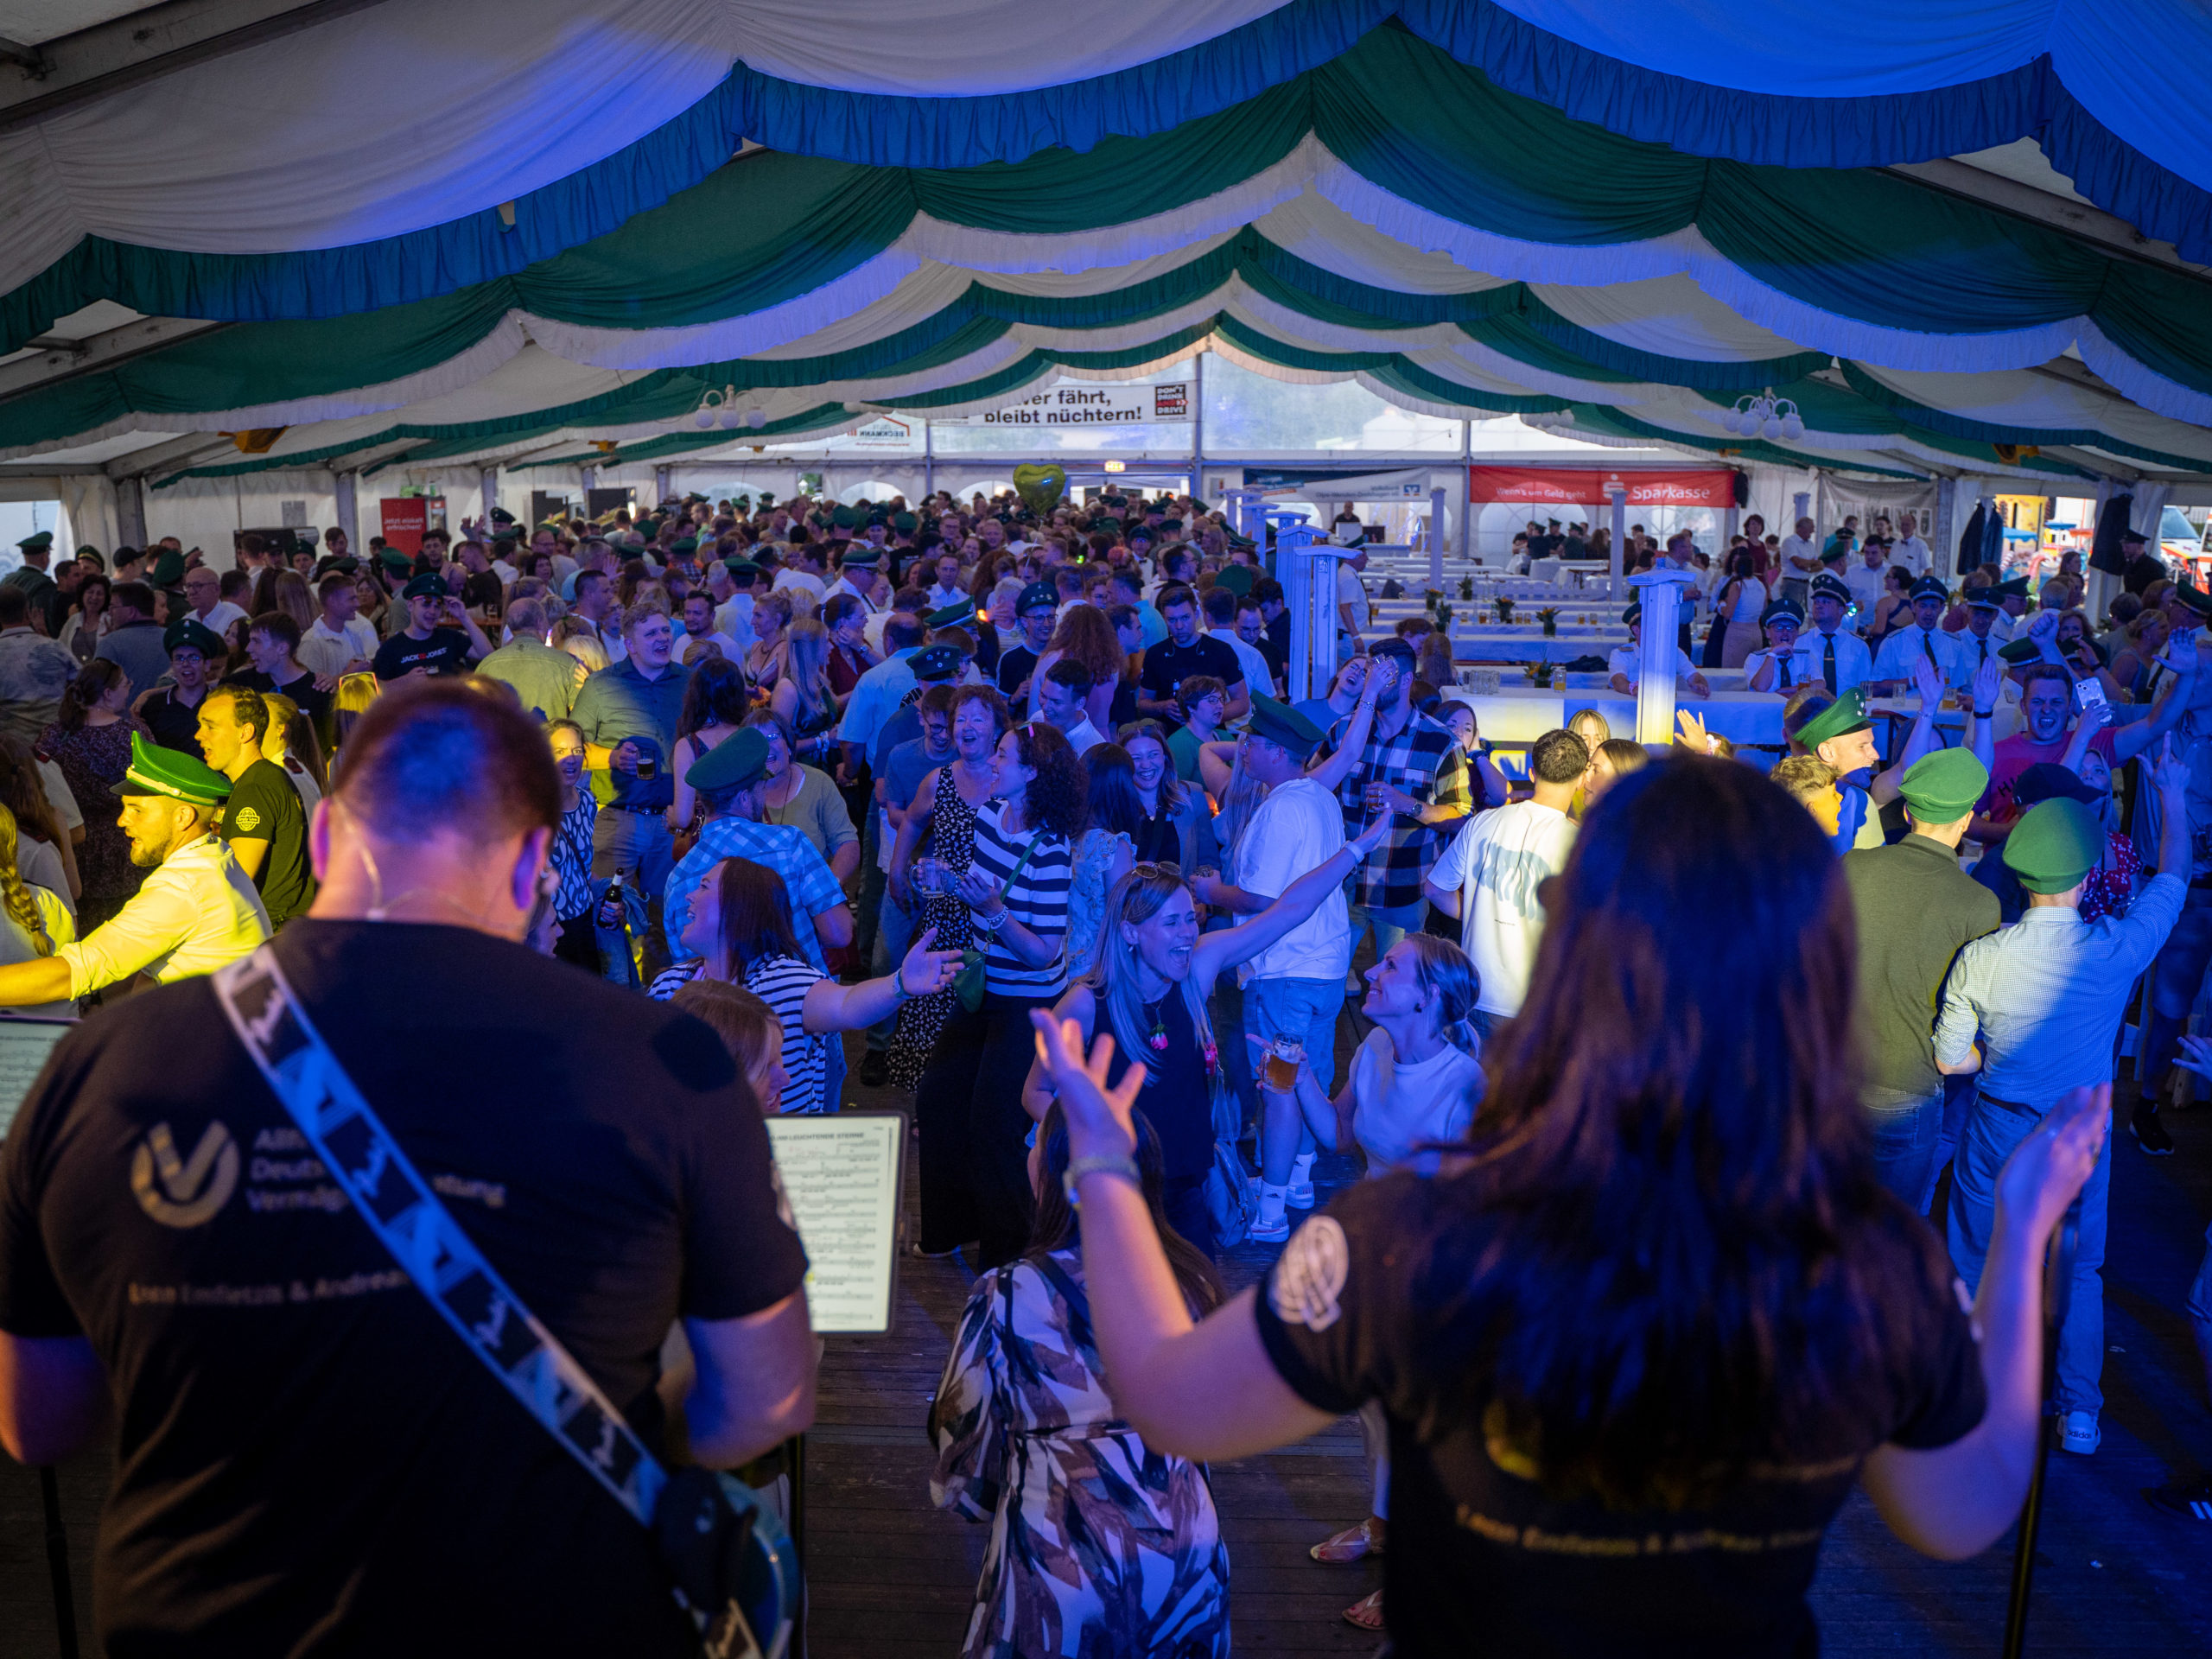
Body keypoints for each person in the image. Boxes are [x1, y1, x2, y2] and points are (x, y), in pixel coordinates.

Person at [1026, 753, 2110, 1657]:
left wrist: (1105, 1167)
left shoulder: (1407, 1233)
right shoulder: (1868, 1257)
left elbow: (1171, 1401)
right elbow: (1962, 1511)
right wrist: (2019, 1238)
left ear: (1573, 955)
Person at [0, 681, 814, 1655]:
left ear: (325, 839)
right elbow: (766, 1396)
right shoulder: (670, 1061)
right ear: (532, 865)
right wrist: (633, 1410)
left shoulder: (103, 1063)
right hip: (548, 1615)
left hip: (206, 1622)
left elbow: (37, 1421)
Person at [1938, 751, 2191, 1457]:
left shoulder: (1982, 958)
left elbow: (1950, 1060)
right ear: (2084, 878)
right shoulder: (2116, 949)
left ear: (2023, 877)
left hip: (1998, 1125)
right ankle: (2079, 1413)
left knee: (1974, 1258)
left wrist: (1994, 1059)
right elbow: (2173, 879)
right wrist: (2172, 796)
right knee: (2078, 1270)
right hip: (2079, 1134)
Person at [931, 1100, 1231, 1659]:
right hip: (1188, 1549)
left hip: (1063, 1558)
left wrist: (985, 1496)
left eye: (1036, 1142)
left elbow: (963, 1451)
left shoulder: (1007, 1295)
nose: (1027, 1149)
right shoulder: (1193, 1283)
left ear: (1054, 1176)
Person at [1277, 934, 1484, 1630]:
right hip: (1375, 1263)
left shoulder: (1464, 1084)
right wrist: (1295, 1079)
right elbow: (1339, 1135)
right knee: (1375, 1413)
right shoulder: (1373, 1049)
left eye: (1391, 967)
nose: (1371, 969)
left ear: (1428, 998)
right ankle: (1383, 1526)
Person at [914, 721, 1082, 1268]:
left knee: (996, 1124)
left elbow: (1044, 954)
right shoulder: (990, 815)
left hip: (1027, 1003)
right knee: (937, 1097)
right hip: (983, 985)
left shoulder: (1052, 851)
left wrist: (994, 912)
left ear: (1031, 774)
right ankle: (952, 1229)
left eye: (1003, 756)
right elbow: (980, 888)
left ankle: (1011, 1258)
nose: (991, 762)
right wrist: (947, 881)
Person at [1185, 699, 1348, 1243]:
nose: (1244, 750)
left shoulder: (1281, 809)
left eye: (1251, 743)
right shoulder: (1320, 797)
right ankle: (1297, 1181)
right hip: (1324, 966)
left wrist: (1212, 892)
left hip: (1285, 969)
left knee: (1278, 1086)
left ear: (1277, 752)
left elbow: (1261, 899)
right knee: (1307, 1077)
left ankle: (1271, 1211)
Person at [654, 856, 961, 1114]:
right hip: (697, 1152)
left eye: (704, 887)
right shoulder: (670, 985)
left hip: (780, 1151)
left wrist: (900, 983)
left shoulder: (784, 981)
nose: (690, 896)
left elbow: (847, 1005)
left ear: (740, 907)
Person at [1841, 749, 2002, 1210]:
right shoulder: (1979, 904)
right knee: (1896, 1233)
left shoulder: (1852, 866)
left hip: (1835, 1074)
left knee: (1827, 1225)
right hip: (1908, 1085)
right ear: (1966, 820)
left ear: (1909, 812)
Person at [0, 733, 268, 1006]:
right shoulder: (216, 856)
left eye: (137, 810)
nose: (121, 821)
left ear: (183, 817)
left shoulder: (183, 887)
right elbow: (149, 974)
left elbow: (77, 971)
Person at [887, 684, 1010, 1101]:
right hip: (947, 917)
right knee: (935, 1008)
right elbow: (912, 821)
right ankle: (932, 1105)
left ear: (997, 728)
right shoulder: (938, 780)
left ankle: (977, 1098)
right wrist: (897, 870)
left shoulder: (1009, 779)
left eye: (978, 718)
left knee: (986, 1013)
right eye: (961, 719)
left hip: (995, 917)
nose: (966, 727)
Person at [1425, 728, 1586, 1039]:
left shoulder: (1484, 822)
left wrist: (1476, 912)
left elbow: (1434, 889)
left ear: (1532, 773)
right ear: (1580, 780)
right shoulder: (1579, 843)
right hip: (1539, 1004)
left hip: (1476, 993)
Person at [1321, 641, 1470, 964]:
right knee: (1328, 973)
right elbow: (1314, 790)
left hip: (1402, 888)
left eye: (1382, 675)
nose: (1371, 683)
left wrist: (1409, 805)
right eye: (1369, 673)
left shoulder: (1441, 742)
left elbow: (1460, 816)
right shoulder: (1345, 730)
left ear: (1405, 680)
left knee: (1397, 981)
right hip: (1341, 883)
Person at [571, 605, 692, 953]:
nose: (662, 638)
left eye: (665, 630)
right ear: (630, 644)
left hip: (674, 823)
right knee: (607, 917)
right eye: (651, 633)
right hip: (618, 821)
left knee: (667, 921)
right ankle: (612, 986)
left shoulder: (689, 682)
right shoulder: (601, 685)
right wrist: (611, 757)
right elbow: (572, 745)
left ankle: (663, 986)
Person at [41, 659, 148, 931]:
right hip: (127, 843)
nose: (130, 687)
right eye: (125, 683)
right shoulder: (134, 735)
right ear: (108, 693)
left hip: (73, 846)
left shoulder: (56, 736)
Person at [196, 684, 315, 929]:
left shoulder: (256, 787)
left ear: (245, 732)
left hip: (270, 932)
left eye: (210, 726)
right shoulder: (260, 779)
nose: (199, 735)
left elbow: (235, 880)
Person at [745, 712, 860, 883]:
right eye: (756, 741)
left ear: (789, 745)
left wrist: (828, 887)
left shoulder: (818, 783)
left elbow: (847, 843)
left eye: (772, 737)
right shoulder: (739, 792)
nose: (766, 747)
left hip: (811, 891)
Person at [1138, 585, 1249, 731]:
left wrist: (1206, 718)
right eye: (1172, 620)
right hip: (1170, 737)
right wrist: (1162, 707)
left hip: (1211, 737)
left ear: (1196, 615)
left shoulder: (1221, 651)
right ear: (1164, 619)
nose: (1179, 626)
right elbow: (1143, 703)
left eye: (1185, 618)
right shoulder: (1155, 654)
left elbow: (1242, 703)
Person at [474, 596, 582, 722]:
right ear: (539, 622)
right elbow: (581, 717)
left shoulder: (487, 665)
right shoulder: (566, 663)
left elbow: (475, 714)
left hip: (502, 735)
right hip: (550, 735)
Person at [0, 586, 81, 746]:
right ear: (27, 612)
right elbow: (83, 683)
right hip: (56, 744)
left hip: (11, 749)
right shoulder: (55, 647)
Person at [371, 574, 491, 680]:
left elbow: (487, 655)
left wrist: (464, 617)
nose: (433, 611)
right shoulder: (391, 648)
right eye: (426, 603)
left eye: (438, 605)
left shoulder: (449, 637)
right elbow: (375, 688)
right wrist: (404, 681)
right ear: (410, 606)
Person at [1870, 576, 1967, 696]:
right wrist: (1914, 681)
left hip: (1943, 707)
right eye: (1923, 606)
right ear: (1913, 607)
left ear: (1942, 609)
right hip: (1906, 707)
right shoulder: (1894, 642)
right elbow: (1876, 688)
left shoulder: (1953, 644)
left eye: (1934, 607)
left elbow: (1958, 688)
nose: (1928, 612)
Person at [1608, 602, 1711, 697]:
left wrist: (1700, 685)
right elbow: (1618, 681)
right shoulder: (1621, 654)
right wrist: (1635, 689)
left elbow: (1693, 675)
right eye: (1653, 626)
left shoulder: (1673, 652)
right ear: (1636, 630)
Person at [1712, 546, 1770, 667]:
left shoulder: (1737, 585)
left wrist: (1721, 605)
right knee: (1752, 669)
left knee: (1732, 671)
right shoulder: (1760, 585)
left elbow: (1728, 614)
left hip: (1738, 631)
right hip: (1756, 631)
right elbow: (1764, 610)